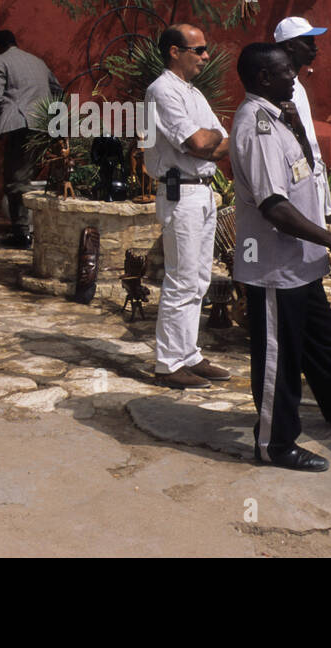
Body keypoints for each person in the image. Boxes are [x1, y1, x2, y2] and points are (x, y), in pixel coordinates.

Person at [231, 43, 331, 471]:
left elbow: (305, 173)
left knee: (321, 341)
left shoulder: (279, 116)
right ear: (264, 78)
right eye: (287, 71)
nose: (295, 77)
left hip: (301, 264)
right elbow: (274, 205)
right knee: (278, 358)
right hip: (274, 267)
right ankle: (274, 443)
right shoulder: (257, 126)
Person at [143, 24, 232, 389]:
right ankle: (168, 362)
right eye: (198, 50)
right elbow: (198, 141)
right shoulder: (162, 91)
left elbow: (224, 141)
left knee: (199, 277)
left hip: (203, 190)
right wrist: (207, 141)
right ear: (174, 52)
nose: (206, 56)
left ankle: (188, 353)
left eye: (205, 49)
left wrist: (209, 141)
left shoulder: (192, 93)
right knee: (181, 278)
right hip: (181, 192)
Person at [0, 30, 61, 249]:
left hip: (21, 126)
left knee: (15, 181)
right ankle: (34, 229)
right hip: (44, 125)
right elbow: (57, 89)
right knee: (29, 179)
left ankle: (22, 233)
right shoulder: (38, 62)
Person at [272, 16, 331, 220]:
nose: (314, 48)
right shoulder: (281, 87)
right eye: (308, 42)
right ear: (290, 45)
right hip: (297, 181)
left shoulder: (296, 84)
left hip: (310, 176)